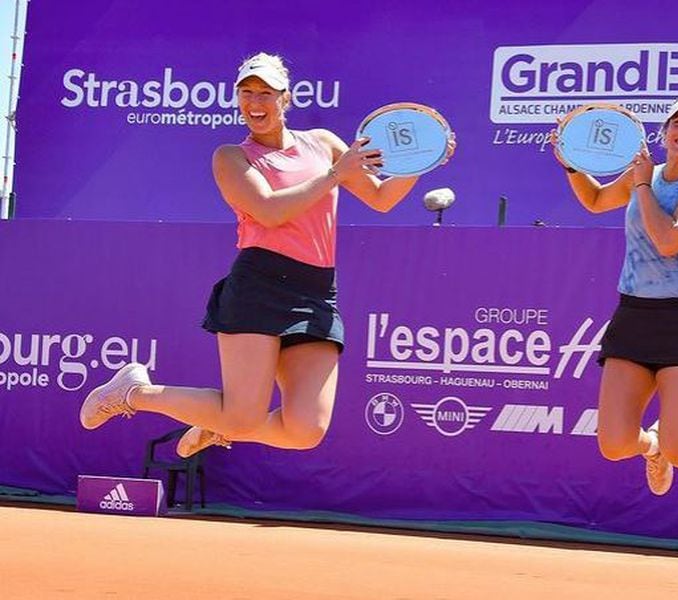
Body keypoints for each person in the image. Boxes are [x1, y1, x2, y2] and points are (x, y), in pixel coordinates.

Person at [80, 52, 454, 458]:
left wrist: (421, 161)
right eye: (246, 93)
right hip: (259, 284)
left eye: (266, 93)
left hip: (317, 291)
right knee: (242, 413)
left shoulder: (325, 143)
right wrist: (334, 174)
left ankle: (219, 426)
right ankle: (134, 392)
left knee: (305, 429)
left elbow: (381, 199)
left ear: (286, 99)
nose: (255, 103)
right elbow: (270, 211)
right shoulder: (231, 157)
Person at [555, 96, 678, 518]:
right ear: (664, 132)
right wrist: (571, 164)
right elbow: (596, 200)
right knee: (615, 444)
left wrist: (640, 185)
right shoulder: (644, 174)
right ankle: (651, 446)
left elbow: (669, 241)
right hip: (634, 315)